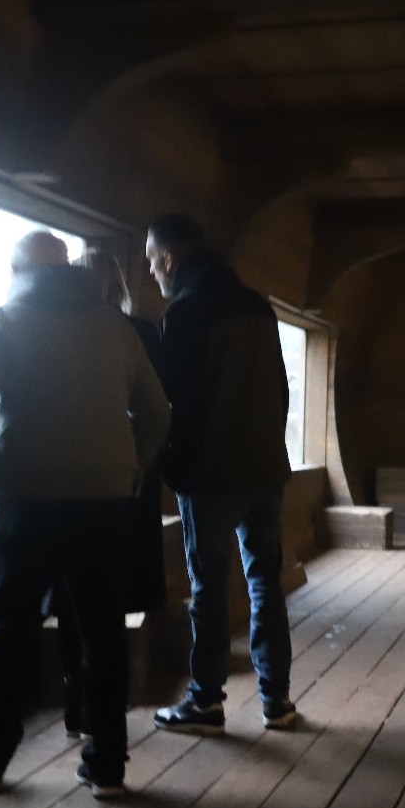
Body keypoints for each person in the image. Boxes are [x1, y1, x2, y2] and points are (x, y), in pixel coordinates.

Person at [0, 231, 170, 799]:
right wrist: (130, 469)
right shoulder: (115, 328)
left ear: (17, 269)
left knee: (6, 628)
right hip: (105, 502)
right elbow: (156, 411)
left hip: (23, 500)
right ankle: (107, 767)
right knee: (103, 632)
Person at [144, 213, 297, 734]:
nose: (152, 273)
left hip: (209, 474)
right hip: (266, 469)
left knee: (209, 589)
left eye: (151, 261)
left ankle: (206, 701)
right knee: (265, 584)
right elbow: (281, 389)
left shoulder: (184, 313)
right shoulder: (258, 306)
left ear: (169, 258)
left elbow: (175, 403)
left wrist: (170, 466)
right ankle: (277, 700)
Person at [49, 248, 168, 740]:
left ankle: (75, 704)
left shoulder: (57, 332)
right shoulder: (139, 332)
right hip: (126, 480)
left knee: (69, 597)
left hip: (65, 485)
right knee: (109, 599)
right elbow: (158, 407)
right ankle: (106, 712)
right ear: (119, 286)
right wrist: (139, 460)